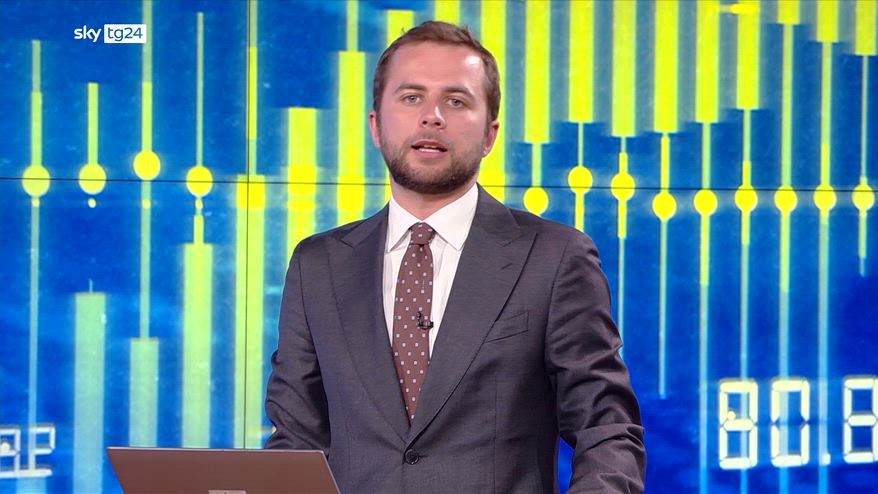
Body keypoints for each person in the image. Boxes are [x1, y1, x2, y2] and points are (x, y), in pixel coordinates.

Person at [265, 21, 645, 493]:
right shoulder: (318, 266)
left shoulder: (554, 258)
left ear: (490, 134)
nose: (432, 117)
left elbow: (607, 429)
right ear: (375, 126)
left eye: (456, 101)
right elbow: (295, 440)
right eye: (411, 97)